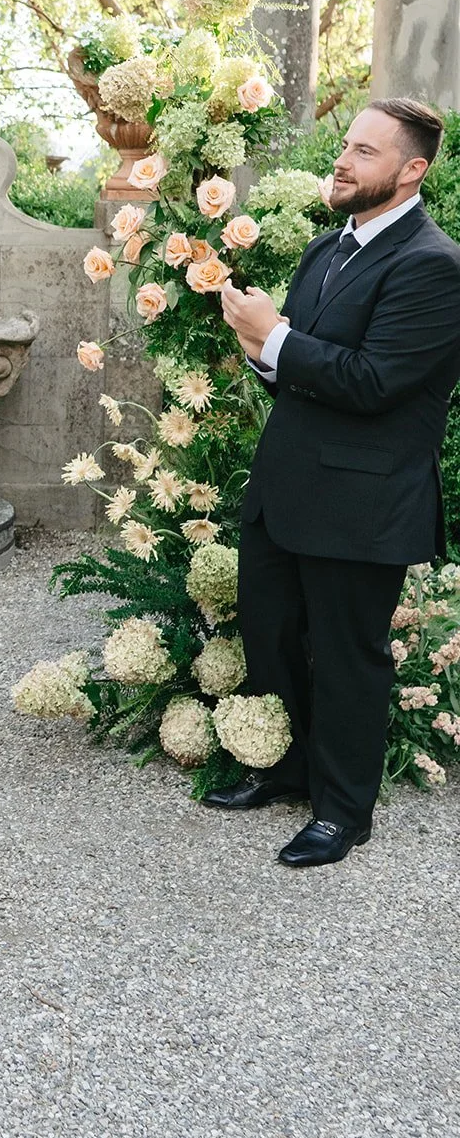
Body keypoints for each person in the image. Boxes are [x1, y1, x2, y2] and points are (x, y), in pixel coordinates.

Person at [214, 98, 460, 867]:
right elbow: (302, 375)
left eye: (365, 152)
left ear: (412, 170)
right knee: (273, 636)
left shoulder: (434, 266)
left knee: (350, 656)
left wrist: (274, 336)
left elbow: (376, 381)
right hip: (286, 487)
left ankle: (344, 810)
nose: (343, 161)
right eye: (345, 146)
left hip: (364, 501)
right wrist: (263, 351)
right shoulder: (327, 248)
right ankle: (286, 771)